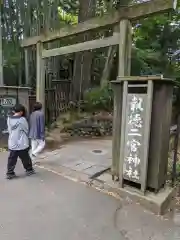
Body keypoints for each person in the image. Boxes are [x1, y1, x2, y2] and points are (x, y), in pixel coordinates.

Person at [6, 104, 35, 179]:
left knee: (12, 159)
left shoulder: (9, 118)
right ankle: (29, 170)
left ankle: (10, 173)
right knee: (25, 157)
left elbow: (9, 130)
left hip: (12, 141)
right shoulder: (22, 119)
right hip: (22, 142)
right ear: (21, 112)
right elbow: (26, 130)